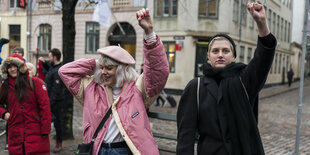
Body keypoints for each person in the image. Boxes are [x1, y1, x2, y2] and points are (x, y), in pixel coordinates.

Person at [58, 8, 169, 155]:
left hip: (123, 151)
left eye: (109, 68)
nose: (103, 72)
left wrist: (149, 34)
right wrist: (97, 62)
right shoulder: (91, 87)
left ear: (122, 69)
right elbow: (65, 72)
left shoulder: (137, 87)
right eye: (102, 68)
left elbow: (158, 72)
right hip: (97, 150)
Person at [177, 2, 277, 155]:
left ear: (234, 56)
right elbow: (185, 137)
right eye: (215, 51)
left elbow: (262, 59)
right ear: (208, 56)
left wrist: (261, 24)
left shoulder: (244, 80)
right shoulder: (195, 87)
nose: (220, 55)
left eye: (226, 50)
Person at [0, 54, 51, 155]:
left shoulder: (35, 82)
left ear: (20, 67)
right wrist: (4, 114)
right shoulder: (4, 87)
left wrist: (45, 130)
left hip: (35, 132)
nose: (13, 69)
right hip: (15, 134)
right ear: (6, 69)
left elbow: (45, 106)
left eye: (15, 66)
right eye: (9, 67)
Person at [39, 48, 66, 153]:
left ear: (54, 57)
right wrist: (43, 61)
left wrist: (48, 103)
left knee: (57, 124)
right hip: (49, 100)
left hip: (57, 102)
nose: (48, 59)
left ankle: (59, 143)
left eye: (49, 57)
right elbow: (48, 66)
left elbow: (56, 91)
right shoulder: (53, 66)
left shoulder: (59, 70)